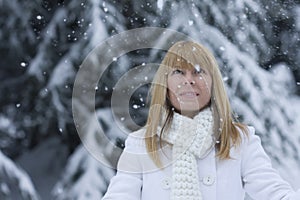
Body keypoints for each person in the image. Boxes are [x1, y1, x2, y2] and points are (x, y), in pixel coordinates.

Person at [102, 41, 300, 200]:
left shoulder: (240, 140)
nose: (189, 80)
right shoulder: (142, 143)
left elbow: (275, 193)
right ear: (165, 84)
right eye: (178, 72)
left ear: (213, 84)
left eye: (198, 72)